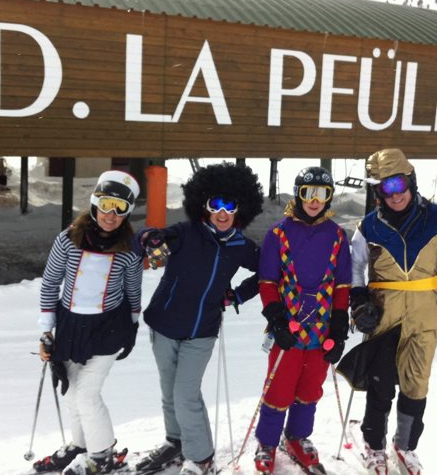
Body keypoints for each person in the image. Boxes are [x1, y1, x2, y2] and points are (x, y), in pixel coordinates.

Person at [337, 148, 437, 475]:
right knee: (380, 383)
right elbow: (355, 266)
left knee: (416, 383)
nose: (395, 194)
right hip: (384, 315)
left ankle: (404, 446)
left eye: (399, 184)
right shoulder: (370, 227)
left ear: (411, 181)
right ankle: (374, 446)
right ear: (378, 191)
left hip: (425, 315)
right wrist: (359, 300)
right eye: (386, 188)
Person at [133, 162, 264, 475]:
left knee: (185, 393)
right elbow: (152, 237)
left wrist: (238, 295)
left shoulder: (240, 246)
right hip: (164, 325)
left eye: (228, 205)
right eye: (214, 204)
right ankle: (176, 441)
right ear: (202, 205)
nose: (221, 212)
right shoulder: (186, 233)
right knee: (169, 391)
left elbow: (267, 273)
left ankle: (202, 457)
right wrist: (149, 238)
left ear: (239, 208)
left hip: (201, 332)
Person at [35, 170, 144, 475]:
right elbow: (50, 283)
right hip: (71, 325)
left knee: (87, 393)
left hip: (108, 328)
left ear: (128, 212)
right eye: (107, 204)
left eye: (120, 208)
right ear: (95, 203)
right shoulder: (69, 238)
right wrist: (47, 330)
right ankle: (80, 444)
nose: (111, 214)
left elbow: (132, 289)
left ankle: (102, 455)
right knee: (70, 389)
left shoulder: (129, 248)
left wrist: (133, 325)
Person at [253, 166, 352, 475]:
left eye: (323, 194)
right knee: (280, 386)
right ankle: (267, 441)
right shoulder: (279, 233)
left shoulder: (336, 235)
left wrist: (338, 326)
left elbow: (342, 286)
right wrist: (277, 319)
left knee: (311, 387)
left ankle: (297, 436)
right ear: (298, 194)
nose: (315, 200)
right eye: (308, 193)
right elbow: (267, 282)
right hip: (289, 326)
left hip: (321, 328)